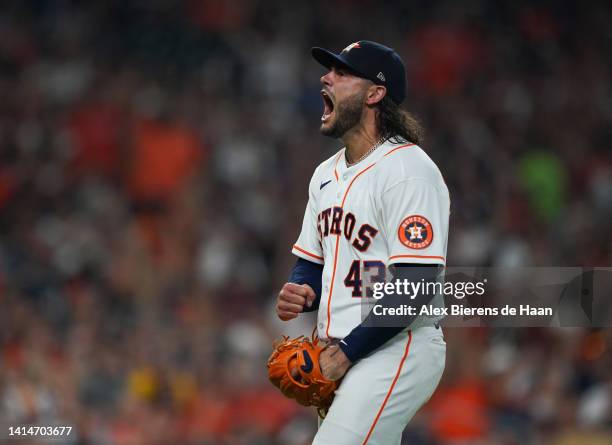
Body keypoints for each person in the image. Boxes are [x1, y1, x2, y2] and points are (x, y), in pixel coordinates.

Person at [276, 40, 449, 444]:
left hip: (396, 347)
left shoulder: (408, 170)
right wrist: (303, 289)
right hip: (342, 350)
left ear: (375, 93)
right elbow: (314, 262)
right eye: (329, 70)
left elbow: (417, 283)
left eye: (342, 72)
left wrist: (348, 351)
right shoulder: (324, 174)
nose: (327, 76)